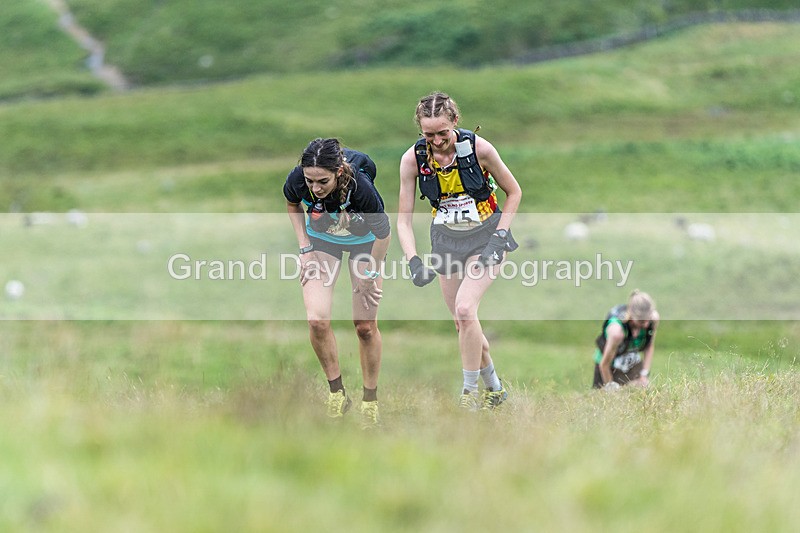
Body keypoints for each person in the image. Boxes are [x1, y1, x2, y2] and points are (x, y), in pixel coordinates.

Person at [397, 91, 523, 411]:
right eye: (428, 134)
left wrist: (499, 237)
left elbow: (514, 192)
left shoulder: (480, 149)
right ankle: (495, 388)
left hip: (486, 237)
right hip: (446, 240)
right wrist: (413, 259)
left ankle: (468, 396)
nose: (437, 141)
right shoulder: (412, 159)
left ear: (455, 122)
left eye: (442, 133)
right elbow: (403, 219)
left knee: (466, 310)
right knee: (461, 322)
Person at [283, 138, 391, 427]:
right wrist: (304, 248)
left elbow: (384, 234)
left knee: (365, 327)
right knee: (317, 319)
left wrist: (369, 274)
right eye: (310, 180)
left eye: (322, 181)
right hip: (322, 241)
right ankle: (337, 393)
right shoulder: (298, 179)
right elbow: (292, 204)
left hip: (365, 243)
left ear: (339, 172)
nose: (315, 188)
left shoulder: (361, 188)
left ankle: (370, 400)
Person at [593, 289, 660, 390]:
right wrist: (611, 389)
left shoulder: (653, 319)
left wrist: (644, 375)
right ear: (631, 316)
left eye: (648, 319)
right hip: (608, 367)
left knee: (642, 391)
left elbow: (649, 345)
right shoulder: (617, 332)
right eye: (641, 322)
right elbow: (604, 365)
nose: (646, 325)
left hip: (631, 362)